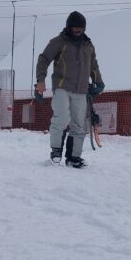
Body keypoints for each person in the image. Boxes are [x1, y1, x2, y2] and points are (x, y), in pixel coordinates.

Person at [36, 11, 104, 168]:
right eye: (75, 30)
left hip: (81, 90)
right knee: (61, 118)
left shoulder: (88, 45)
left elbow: (93, 65)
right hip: (62, 86)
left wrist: (98, 81)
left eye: (81, 30)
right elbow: (43, 59)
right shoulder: (59, 42)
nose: (78, 33)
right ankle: (56, 151)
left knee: (79, 124)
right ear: (68, 28)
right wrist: (40, 81)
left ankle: (73, 157)